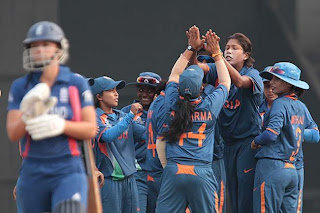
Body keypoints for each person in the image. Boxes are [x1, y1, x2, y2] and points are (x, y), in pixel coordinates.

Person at [6, 21, 96, 212]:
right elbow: (13, 133)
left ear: (59, 48)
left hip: (67, 168)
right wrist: (29, 114)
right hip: (32, 168)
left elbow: (90, 128)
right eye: (34, 45)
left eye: (46, 44)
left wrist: (61, 125)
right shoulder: (21, 86)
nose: (39, 50)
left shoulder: (75, 83)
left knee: (69, 209)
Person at [156, 26, 231, 213]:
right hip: (201, 172)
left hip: (174, 171)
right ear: (201, 88)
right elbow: (225, 82)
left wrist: (190, 48)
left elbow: (174, 74)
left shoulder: (172, 101)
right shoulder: (209, 105)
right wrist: (216, 53)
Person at [197, 32, 264, 213]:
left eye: (235, 48)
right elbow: (197, 69)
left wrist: (217, 55)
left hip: (247, 142)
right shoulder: (217, 70)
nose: (229, 51)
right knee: (232, 195)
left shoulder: (252, 73)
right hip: (227, 144)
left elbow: (241, 82)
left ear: (246, 55)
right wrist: (193, 48)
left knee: (245, 195)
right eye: (226, 48)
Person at [251, 62, 319, 212]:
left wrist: (256, 142)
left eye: (277, 79)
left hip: (272, 166)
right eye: (270, 81)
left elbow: (270, 134)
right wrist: (293, 128)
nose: (272, 84)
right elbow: (314, 134)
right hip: (291, 169)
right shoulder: (301, 106)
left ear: (289, 84)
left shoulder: (279, 104)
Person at [89, 76, 146, 213]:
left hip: (130, 179)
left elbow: (146, 135)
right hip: (109, 180)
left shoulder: (121, 115)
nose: (116, 94)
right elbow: (107, 136)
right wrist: (131, 115)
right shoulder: (93, 116)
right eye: (111, 90)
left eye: (116, 90)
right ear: (99, 96)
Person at [122, 72, 162, 213]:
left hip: (159, 173)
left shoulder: (163, 111)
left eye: (150, 90)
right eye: (141, 90)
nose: (144, 94)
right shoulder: (127, 112)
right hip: (138, 174)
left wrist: (157, 107)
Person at [145, 80, 167, 213]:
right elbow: (162, 139)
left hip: (152, 168)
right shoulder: (164, 104)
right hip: (161, 170)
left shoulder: (154, 105)